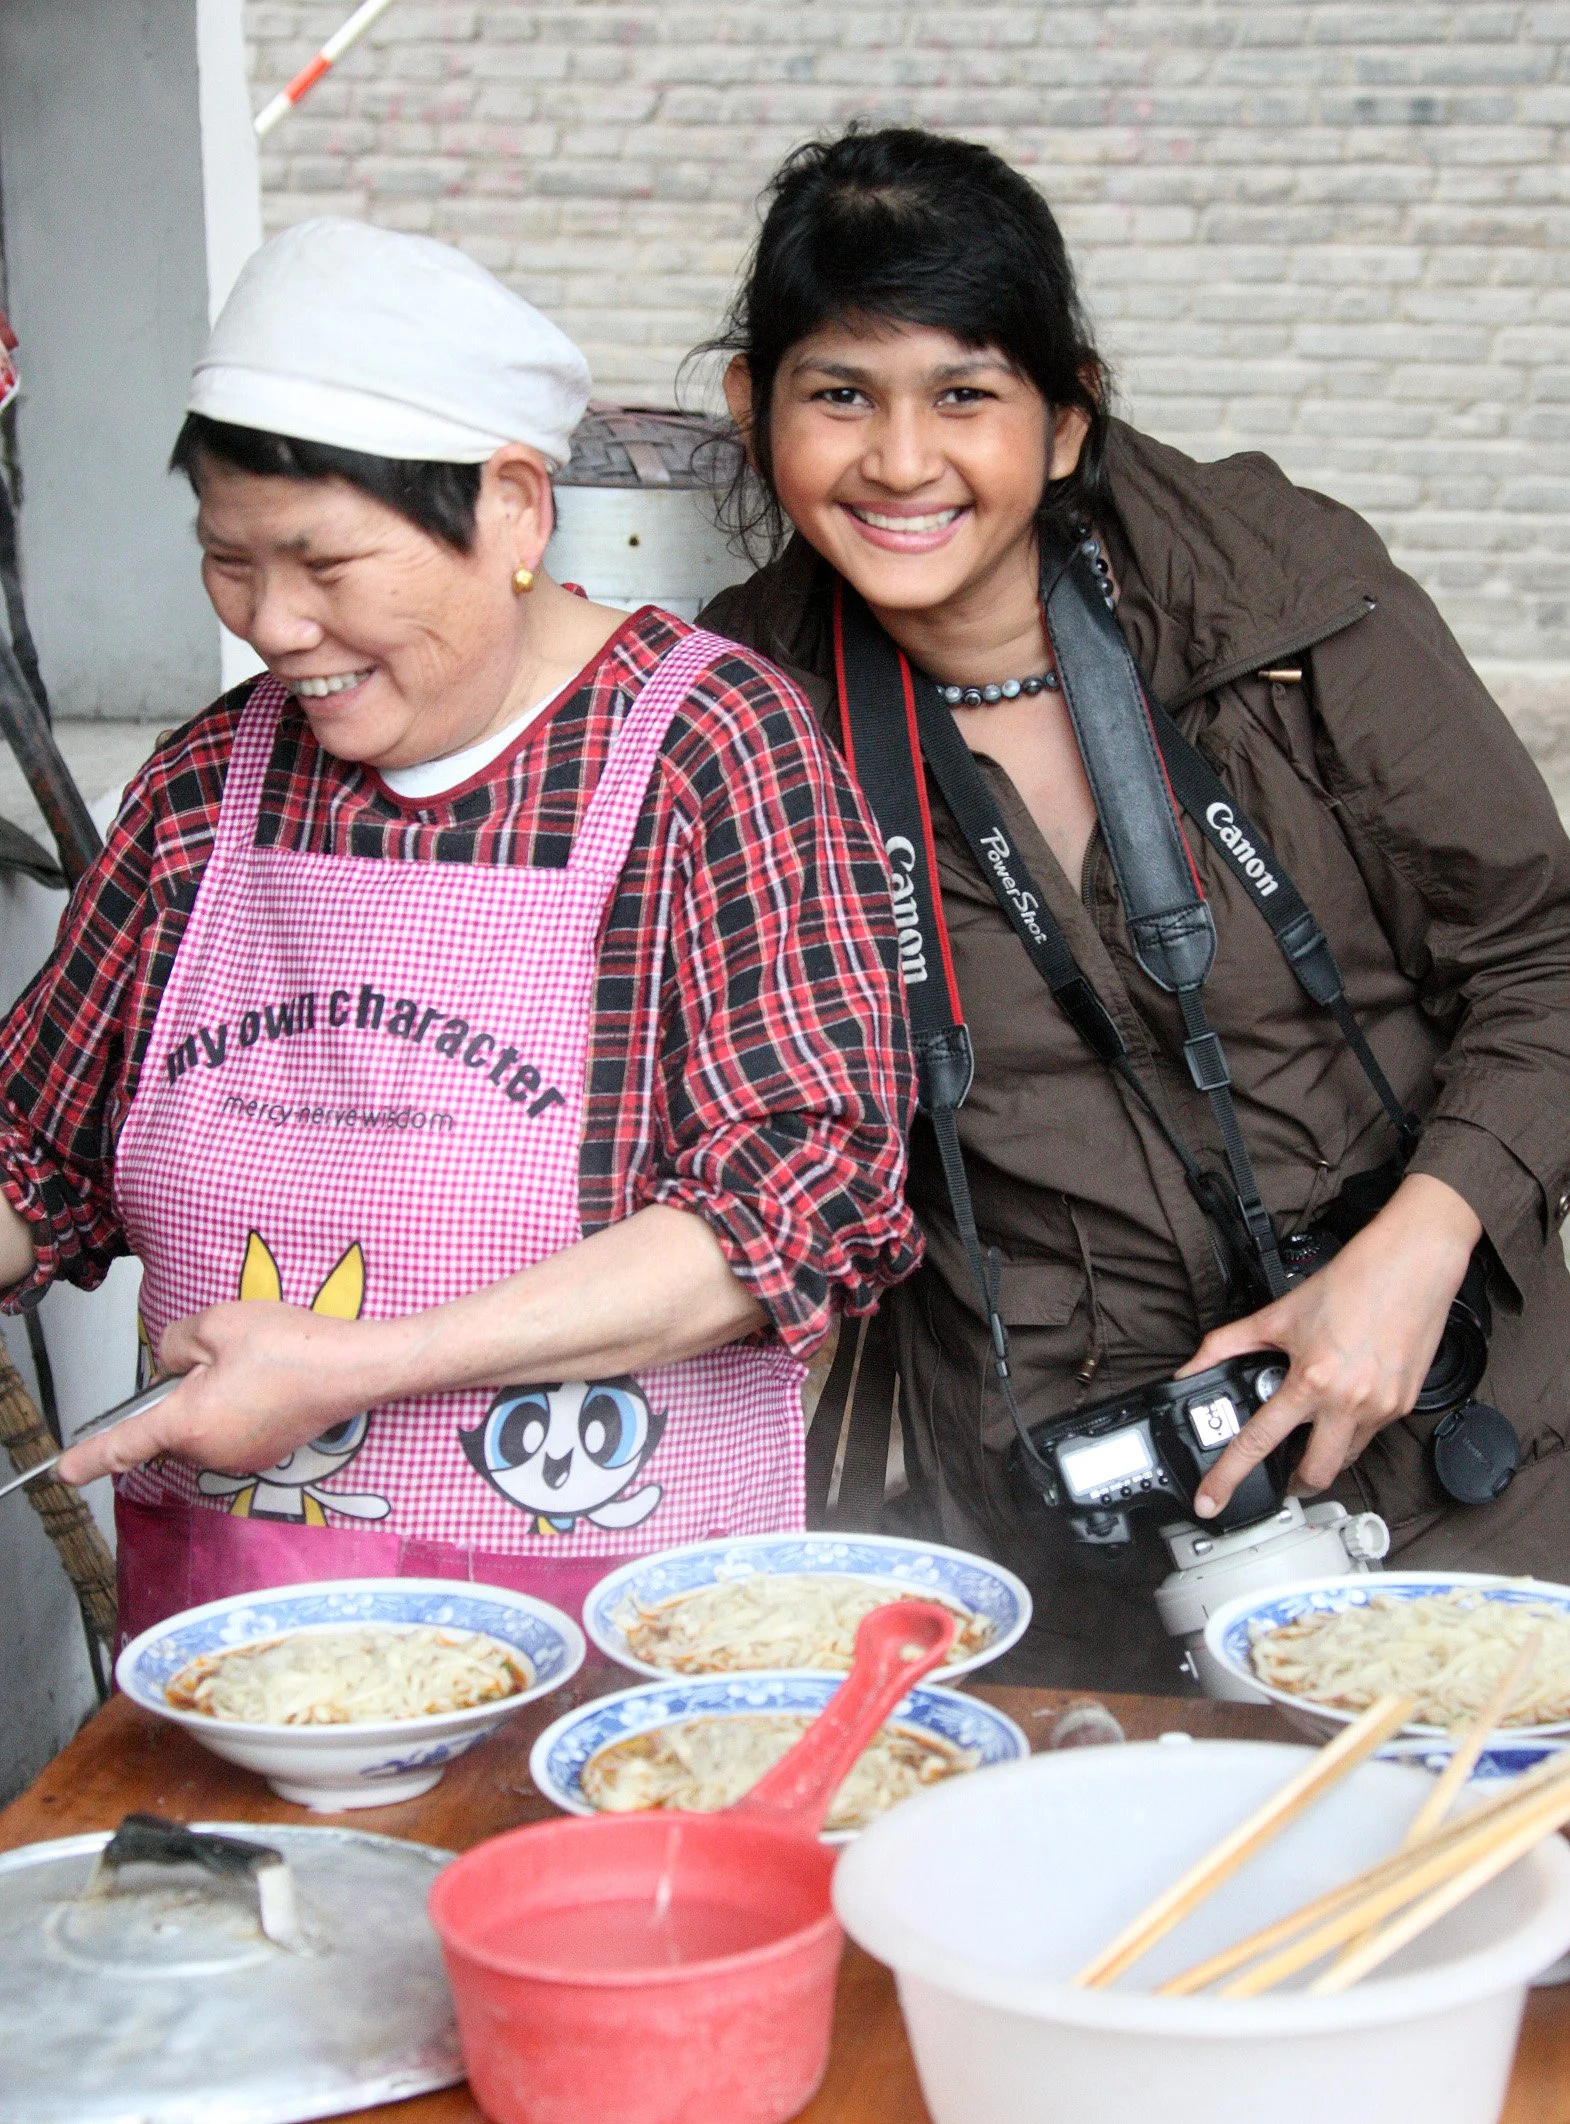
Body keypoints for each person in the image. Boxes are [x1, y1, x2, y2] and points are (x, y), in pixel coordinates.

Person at [700, 127, 1570, 1689]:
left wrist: (1414, 1252)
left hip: (1451, 1442)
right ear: (752, 414)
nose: (900, 463)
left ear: (1062, 419)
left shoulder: (1276, 594)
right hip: (1054, 1521)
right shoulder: (745, 704)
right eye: (840, 395)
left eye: (962, 394)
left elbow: (1543, 956)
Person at [0, 217, 918, 1645]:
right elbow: (34, 1154)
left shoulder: (709, 755)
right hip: (250, 1637)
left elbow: (802, 1200)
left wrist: (364, 1364)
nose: (275, 626)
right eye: (229, 562)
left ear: (510, 508)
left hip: (617, 1626)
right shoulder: (209, 785)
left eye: (325, 563)